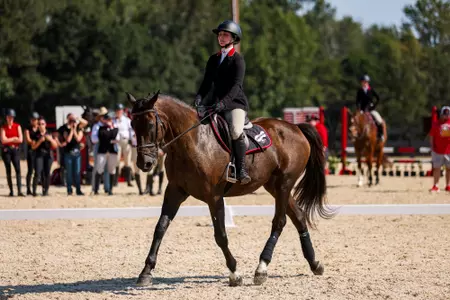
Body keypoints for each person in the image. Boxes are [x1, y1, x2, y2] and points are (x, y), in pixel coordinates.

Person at [194, 20, 251, 184]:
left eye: (225, 35)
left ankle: (240, 169)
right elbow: (206, 83)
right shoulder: (213, 59)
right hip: (214, 104)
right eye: (219, 34)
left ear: (233, 38)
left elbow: (236, 86)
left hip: (235, 104)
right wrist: (199, 98)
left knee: (234, 130)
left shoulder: (238, 60)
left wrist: (223, 104)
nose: (221, 37)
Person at [93, 113, 119, 195]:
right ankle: (96, 189)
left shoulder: (116, 129)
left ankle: (110, 189)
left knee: (111, 170)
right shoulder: (101, 128)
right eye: (107, 119)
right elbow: (102, 137)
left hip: (112, 152)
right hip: (103, 151)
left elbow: (116, 137)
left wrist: (109, 137)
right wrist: (110, 140)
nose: (108, 121)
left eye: (110, 120)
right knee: (99, 168)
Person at [31, 117, 57, 196]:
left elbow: (55, 146)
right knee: (38, 172)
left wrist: (51, 140)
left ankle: (46, 190)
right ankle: (34, 191)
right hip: (39, 155)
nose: (41, 125)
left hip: (48, 155)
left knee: (47, 173)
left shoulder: (49, 133)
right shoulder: (35, 134)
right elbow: (33, 147)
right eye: (39, 124)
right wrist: (40, 141)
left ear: (45, 125)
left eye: (42, 124)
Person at [0, 109, 24, 196]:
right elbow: (3, 140)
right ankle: (11, 191)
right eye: (9, 117)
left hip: (15, 150)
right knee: (8, 170)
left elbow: (20, 139)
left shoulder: (17, 126)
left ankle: (19, 190)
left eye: (11, 117)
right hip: (6, 150)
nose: (10, 119)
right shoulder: (3, 128)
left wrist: (9, 140)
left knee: (18, 170)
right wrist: (14, 139)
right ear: (6, 118)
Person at [356, 74, 385, 141]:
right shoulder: (360, 91)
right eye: (363, 82)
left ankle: (380, 135)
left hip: (370, 109)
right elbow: (357, 101)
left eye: (365, 82)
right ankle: (356, 135)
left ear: (368, 82)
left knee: (379, 120)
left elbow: (378, 98)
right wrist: (358, 108)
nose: (364, 83)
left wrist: (374, 106)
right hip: (362, 110)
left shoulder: (371, 90)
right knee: (355, 121)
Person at [61, 113, 85, 195]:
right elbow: (68, 140)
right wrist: (71, 130)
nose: (72, 122)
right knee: (69, 173)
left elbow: (78, 139)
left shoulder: (79, 129)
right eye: (71, 120)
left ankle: (78, 189)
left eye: (73, 120)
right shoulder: (65, 129)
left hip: (77, 154)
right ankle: (69, 189)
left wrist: (75, 128)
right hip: (68, 154)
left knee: (77, 173)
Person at [428, 106, 450, 192]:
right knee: (437, 168)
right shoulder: (436, 124)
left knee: (449, 169)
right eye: (445, 114)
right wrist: (432, 147)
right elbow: (432, 136)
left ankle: (448, 185)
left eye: (448, 114)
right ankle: (435, 185)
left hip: (449, 150)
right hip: (437, 151)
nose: (447, 116)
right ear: (441, 114)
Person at [113, 103, 134, 187]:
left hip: (126, 141)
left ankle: (128, 180)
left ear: (122, 111)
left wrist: (132, 140)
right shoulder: (113, 120)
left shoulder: (127, 120)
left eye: (120, 110)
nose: (119, 112)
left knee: (127, 161)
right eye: (117, 110)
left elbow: (131, 131)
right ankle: (115, 181)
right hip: (117, 142)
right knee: (117, 161)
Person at [91, 107, 111, 193]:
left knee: (107, 168)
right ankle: (95, 188)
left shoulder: (109, 125)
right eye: (103, 116)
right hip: (99, 147)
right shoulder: (96, 126)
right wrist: (104, 137)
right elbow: (93, 139)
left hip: (107, 147)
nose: (104, 117)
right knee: (97, 168)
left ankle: (107, 188)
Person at [24, 112, 40, 195]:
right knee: (30, 170)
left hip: (38, 152)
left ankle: (34, 189)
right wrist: (36, 142)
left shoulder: (39, 128)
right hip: (31, 151)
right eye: (32, 120)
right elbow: (28, 140)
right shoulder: (28, 129)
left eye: (35, 120)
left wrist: (36, 142)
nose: (34, 121)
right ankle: (28, 189)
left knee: (37, 171)